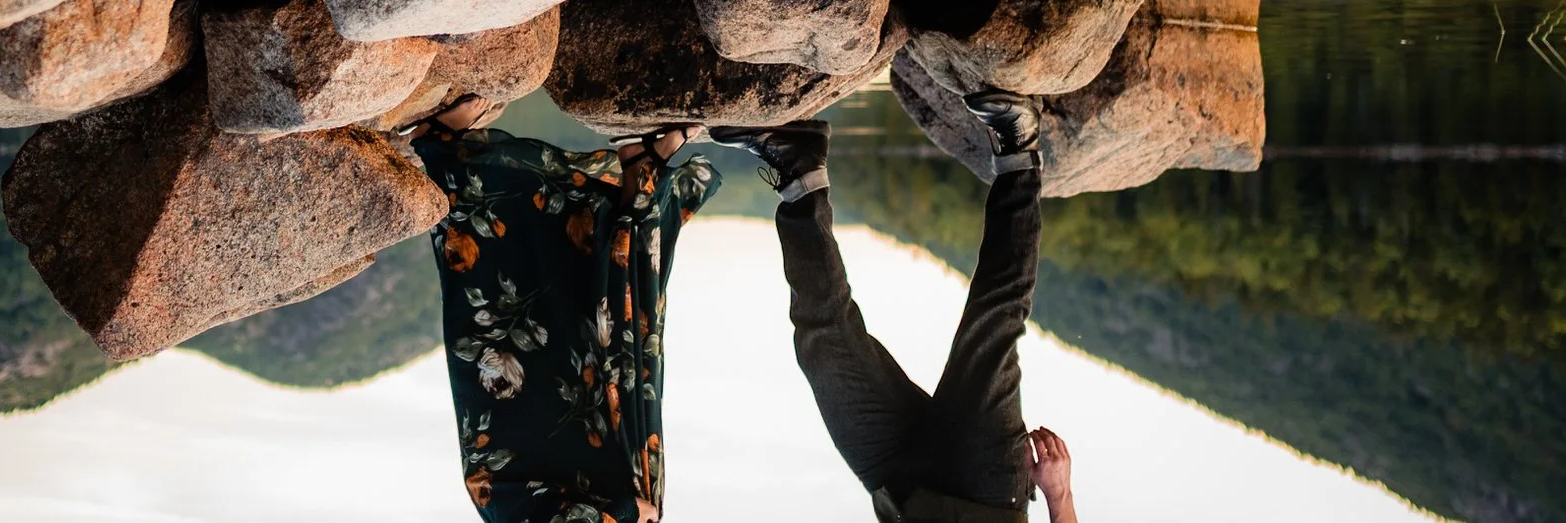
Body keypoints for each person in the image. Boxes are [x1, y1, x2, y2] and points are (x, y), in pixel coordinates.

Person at [713, 91, 1082, 523]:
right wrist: (1060, 497)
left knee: (824, 346)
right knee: (992, 324)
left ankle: (800, 171)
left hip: (901, 494)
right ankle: (1019, 147)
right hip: (986, 491)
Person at [414, 102, 721, 523]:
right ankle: (642, 167)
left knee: (520, 299)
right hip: (598, 473)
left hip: (539, 471)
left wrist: (626, 512)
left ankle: (444, 152)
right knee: (612, 323)